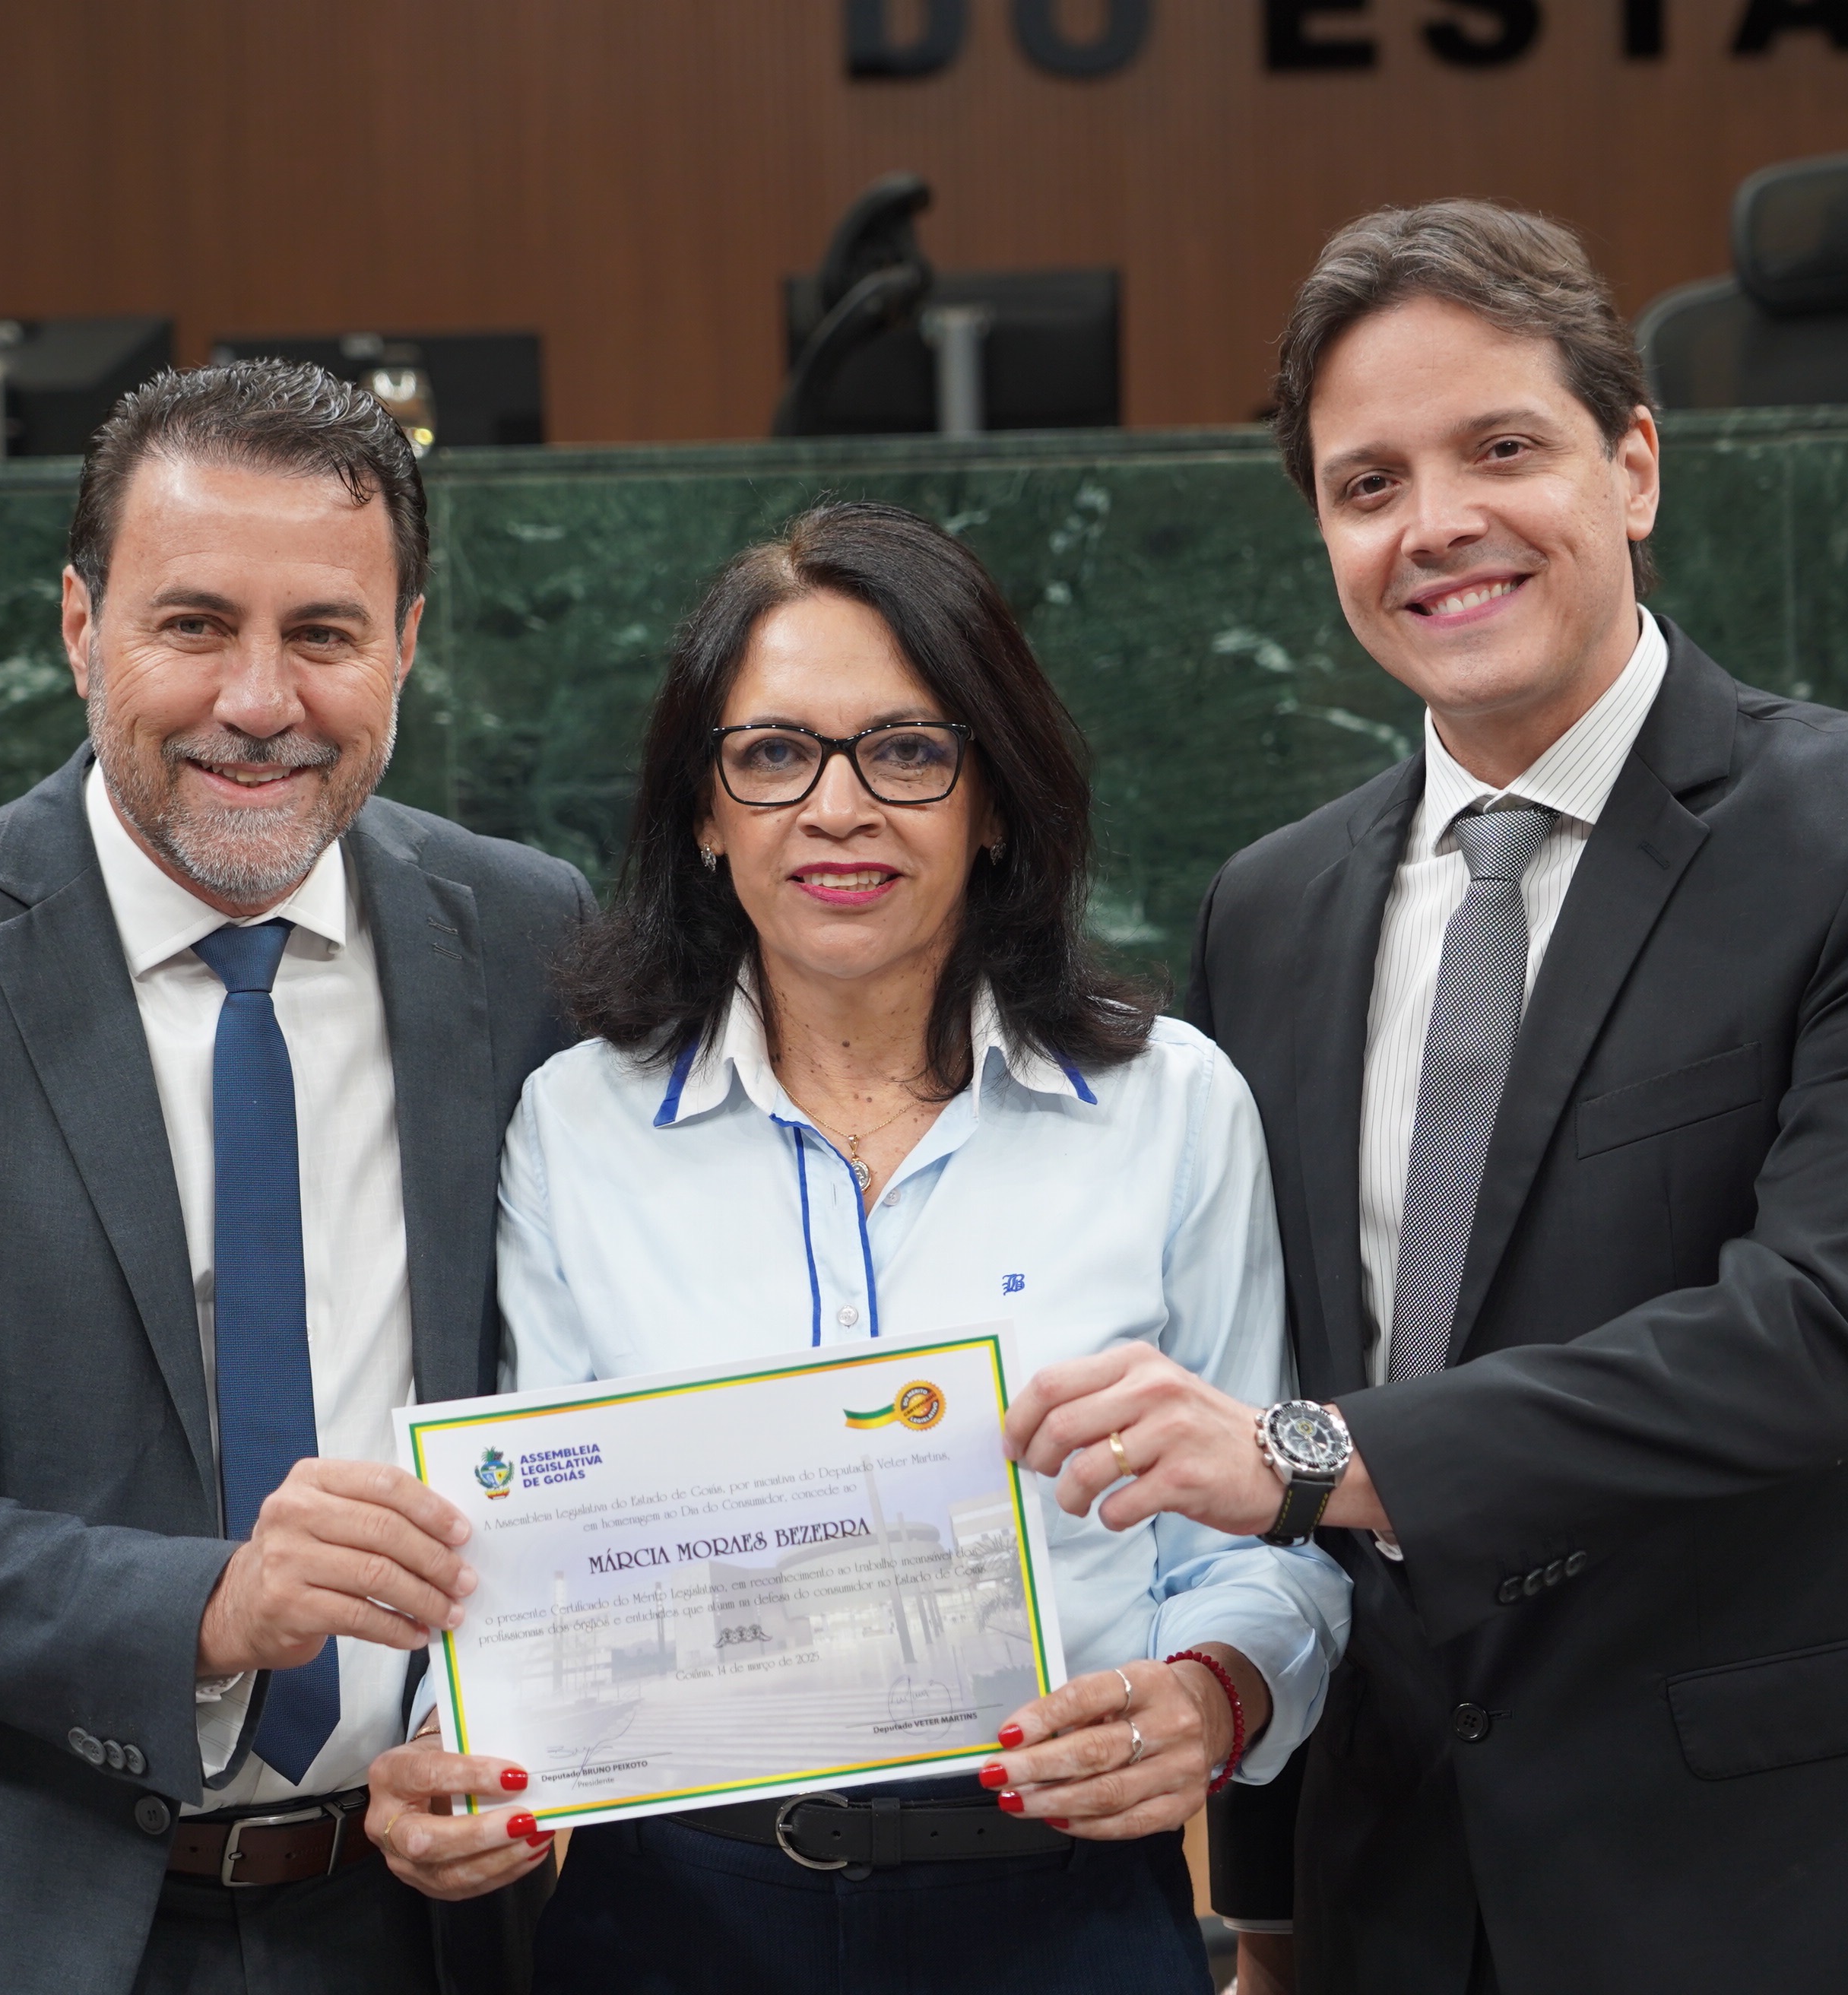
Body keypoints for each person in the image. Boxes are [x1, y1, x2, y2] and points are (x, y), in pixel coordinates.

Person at [1003, 202, 1848, 1994]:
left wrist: (1312, 1456)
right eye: (1368, 483)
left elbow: (1818, 1338)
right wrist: (1267, 1903)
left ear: (1632, 466)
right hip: (1399, 1897)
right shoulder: (1271, 909)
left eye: (1501, 448)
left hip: (1799, 1885)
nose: (1436, 523)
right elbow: (1272, 1371)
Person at [361, 502, 1350, 1993]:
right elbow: (526, 1551)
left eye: (906, 750)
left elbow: (1267, 1541)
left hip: (1062, 1902)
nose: (838, 808)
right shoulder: (576, 1121)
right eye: (773, 754)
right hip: (673, 1916)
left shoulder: (1175, 1105)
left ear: (993, 797)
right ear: (705, 814)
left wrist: (1216, 1693)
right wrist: (458, 1751)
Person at [0, 360, 587, 1995]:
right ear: (80, 626)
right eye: (193, 624)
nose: (259, 699)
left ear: (406, 643)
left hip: (418, 1914)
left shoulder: (528, 933)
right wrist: (217, 1603)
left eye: (324, 633)